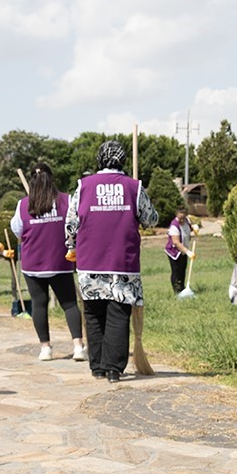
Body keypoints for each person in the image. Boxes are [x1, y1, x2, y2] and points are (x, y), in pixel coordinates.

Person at [65, 140, 158, 383]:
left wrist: (70, 247)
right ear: (122, 160)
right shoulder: (133, 187)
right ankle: (114, 369)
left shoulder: (83, 186)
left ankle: (96, 366)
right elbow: (150, 219)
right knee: (118, 314)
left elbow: (71, 223)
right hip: (123, 263)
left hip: (89, 262)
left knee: (94, 314)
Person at [11, 162, 85, 362]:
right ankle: (78, 346)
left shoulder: (23, 204)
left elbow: (17, 230)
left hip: (33, 263)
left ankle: (45, 348)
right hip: (59, 261)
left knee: (39, 304)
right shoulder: (66, 200)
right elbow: (75, 225)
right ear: (51, 179)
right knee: (69, 304)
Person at [164, 207, 195, 294]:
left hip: (183, 250)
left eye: (183, 218)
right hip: (174, 252)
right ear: (177, 215)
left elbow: (189, 228)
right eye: (179, 218)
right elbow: (176, 242)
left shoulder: (187, 221)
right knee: (176, 270)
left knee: (183, 269)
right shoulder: (174, 226)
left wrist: (195, 228)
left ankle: (183, 288)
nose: (181, 220)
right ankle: (177, 291)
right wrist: (188, 252)